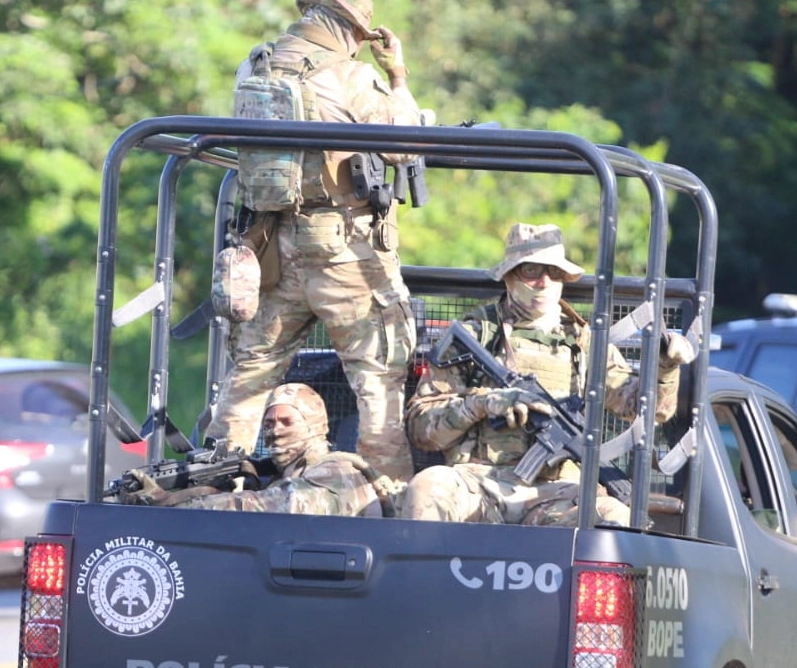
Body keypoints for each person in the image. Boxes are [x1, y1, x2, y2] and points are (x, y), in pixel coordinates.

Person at [206, 0, 424, 481]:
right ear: (352, 27)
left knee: (249, 376)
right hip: (344, 253)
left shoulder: (255, 65)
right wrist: (399, 77)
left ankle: (214, 490)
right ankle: (386, 505)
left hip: (270, 249)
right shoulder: (350, 77)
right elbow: (403, 142)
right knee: (377, 383)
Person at [401, 222, 694, 526]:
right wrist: (482, 404)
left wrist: (665, 369)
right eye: (531, 271)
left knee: (614, 519)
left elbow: (653, 412)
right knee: (429, 488)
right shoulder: (478, 335)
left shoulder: (585, 343)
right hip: (479, 485)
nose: (543, 282)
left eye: (553, 273)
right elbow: (421, 430)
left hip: (557, 494)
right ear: (509, 277)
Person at [125, 384, 401, 517]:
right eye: (268, 423)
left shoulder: (336, 470)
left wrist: (176, 504)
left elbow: (278, 506)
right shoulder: (279, 477)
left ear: (314, 424)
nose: (275, 430)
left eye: (286, 421)